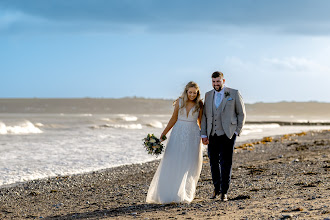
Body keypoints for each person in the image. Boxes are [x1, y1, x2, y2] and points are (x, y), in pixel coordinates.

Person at [146, 81, 204, 204]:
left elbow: (200, 122)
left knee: (188, 163)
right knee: (173, 160)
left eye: (194, 93)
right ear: (186, 91)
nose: (192, 95)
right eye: (190, 92)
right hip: (178, 133)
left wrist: (204, 136)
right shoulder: (180, 101)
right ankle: (167, 193)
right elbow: (173, 118)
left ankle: (182, 193)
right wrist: (163, 134)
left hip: (193, 135)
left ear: (197, 93)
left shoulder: (199, 104)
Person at [201, 71, 246, 201]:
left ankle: (224, 192)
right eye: (214, 82)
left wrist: (237, 131)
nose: (216, 84)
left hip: (228, 134)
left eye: (218, 81)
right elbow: (204, 116)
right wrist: (204, 133)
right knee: (213, 162)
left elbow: (241, 113)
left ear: (223, 81)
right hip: (212, 134)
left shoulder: (234, 93)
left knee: (226, 163)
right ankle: (216, 189)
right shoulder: (208, 95)